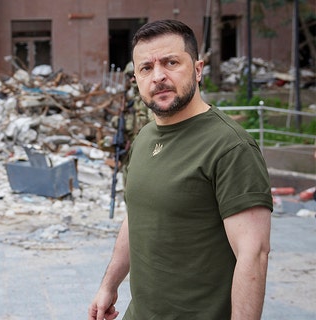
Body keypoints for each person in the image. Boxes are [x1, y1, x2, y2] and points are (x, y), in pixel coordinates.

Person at [89, 20, 273, 320]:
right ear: (136, 78)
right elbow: (136, 216)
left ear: (198, 69)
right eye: (146, 68)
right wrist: (109, 285)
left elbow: (253, 255)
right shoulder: (145, 136)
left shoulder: (230, 147)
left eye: (171, 62)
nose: (158, 76)